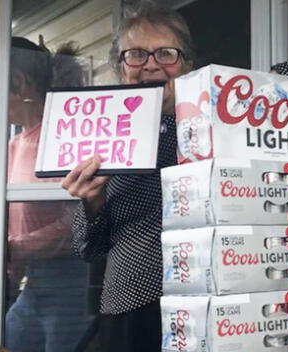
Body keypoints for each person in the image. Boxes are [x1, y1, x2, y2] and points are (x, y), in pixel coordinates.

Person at [61, 3, 195, 351]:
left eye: (166, 53)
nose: (151, 64)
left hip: (209, 295)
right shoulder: (106, 138)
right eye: (135, 54)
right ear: (122, 69)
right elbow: (87, 248)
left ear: (186, 65)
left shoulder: (218, 119)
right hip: (132, 304)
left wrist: (239, 86)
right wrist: (91, 201)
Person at [5, 36, 94, 352]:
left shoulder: (63, 138)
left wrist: (18, 247)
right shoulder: (13, 146)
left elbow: (79, 217)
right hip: (28, 285)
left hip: (67, 285)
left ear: (18, 82)